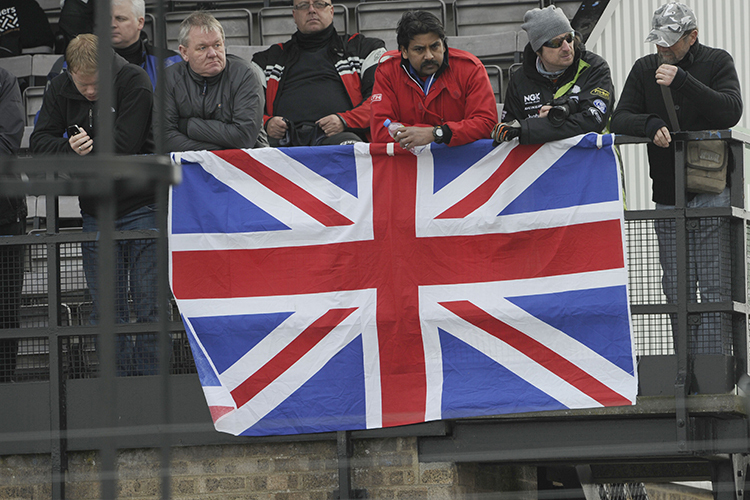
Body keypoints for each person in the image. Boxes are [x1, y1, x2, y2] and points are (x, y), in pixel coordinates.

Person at [610, 2, 743, 354]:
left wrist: (684, 81)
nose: (662, 49)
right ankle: (686, 366)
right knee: (677, 288)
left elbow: (731, 109)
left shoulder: (716, 61)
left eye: (670, 42)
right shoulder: (644, 69)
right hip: (667, 193)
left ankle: (714, 368)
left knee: (715, 288)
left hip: (712, 189)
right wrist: (649, 124)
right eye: (658, 42)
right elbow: (619, 118)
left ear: (692, 36)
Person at [30, 34, 158, 376]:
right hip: (95, 212)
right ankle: (118, 391)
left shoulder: (135, 81)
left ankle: (149, 387)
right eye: (83, 84)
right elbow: (39, 143)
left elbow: (124, 145)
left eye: (97, 84)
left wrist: (82, 153)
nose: (90, 91)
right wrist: (72, 150)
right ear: (69, 72)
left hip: (145, 206)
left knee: (150, 307)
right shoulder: (58, 88)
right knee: (106, 312)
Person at [251, 0, 386, 147]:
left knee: (351, 149)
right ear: (294, 15)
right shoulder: (265, 60)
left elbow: (381, 100)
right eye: (303, 5)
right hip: (282, 141)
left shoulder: (365, 49)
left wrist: (345, 121)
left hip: (340, 138)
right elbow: (245, 109)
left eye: (319, 3)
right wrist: (266, 123)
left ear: (331, 11)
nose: (311, 10)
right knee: (253, 153)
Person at [369, 10, 497, 150]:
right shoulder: (387, 71)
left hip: (459, 160)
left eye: (435, 46)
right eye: (419, 49)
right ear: (404, 51)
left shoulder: (470, 68)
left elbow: (487, 124)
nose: (429, 56)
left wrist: (436, 133)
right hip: (408, 162)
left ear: (443, 44)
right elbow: (380, 130)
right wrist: (424, 134)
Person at [492, 5, 614, 145]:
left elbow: (593, 121)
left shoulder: (595, 67)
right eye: (556, 43)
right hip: (542, 166)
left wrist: (534, 126)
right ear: (538, 50)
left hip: (590, 163)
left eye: (569, 38)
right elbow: (510, 132)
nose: (567, 47)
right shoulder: (519, 79)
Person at [162, 11, 265, 152]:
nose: (212, 54)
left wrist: (187, 125)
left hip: (245, 167)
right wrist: (218, 151)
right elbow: (164, 139)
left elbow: (243, 137)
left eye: (217, 45)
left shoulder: (245, 74)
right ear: (184, 53)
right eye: (202, 48)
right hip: (189, 166)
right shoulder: (170, 78)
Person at [0, 66, 25, 383]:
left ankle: (5, 385)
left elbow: (6, 145)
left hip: (5, 215)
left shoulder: (3, 80)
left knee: (5, 310)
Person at [111, 0, 182, 90]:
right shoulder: (91, 61)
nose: (112, 24)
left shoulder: (170, 62)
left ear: (140, 23)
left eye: (120, 19)